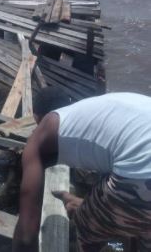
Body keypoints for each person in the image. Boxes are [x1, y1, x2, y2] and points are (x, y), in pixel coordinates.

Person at [13, 88, 151, 252]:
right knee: (141, 228)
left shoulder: (43, 130)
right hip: (140, 164)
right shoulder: (93, 112)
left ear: (36, 118)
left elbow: (28, 227)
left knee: (86, 227)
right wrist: (91, 206)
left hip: (141, 172)